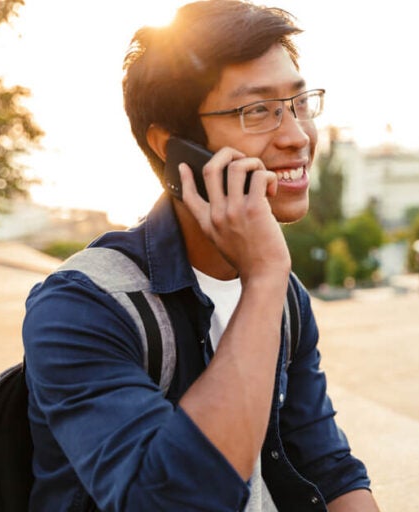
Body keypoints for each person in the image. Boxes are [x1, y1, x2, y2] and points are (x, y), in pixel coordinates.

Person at [21, 1, 379, 510]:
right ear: (175, 147)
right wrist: (265, 276)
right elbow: (173, 502)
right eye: (258, 110)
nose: (297, 135)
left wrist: (267, 283)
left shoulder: (284, 300)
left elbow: (327, 468)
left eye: (300, 103)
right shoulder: (80, 307)